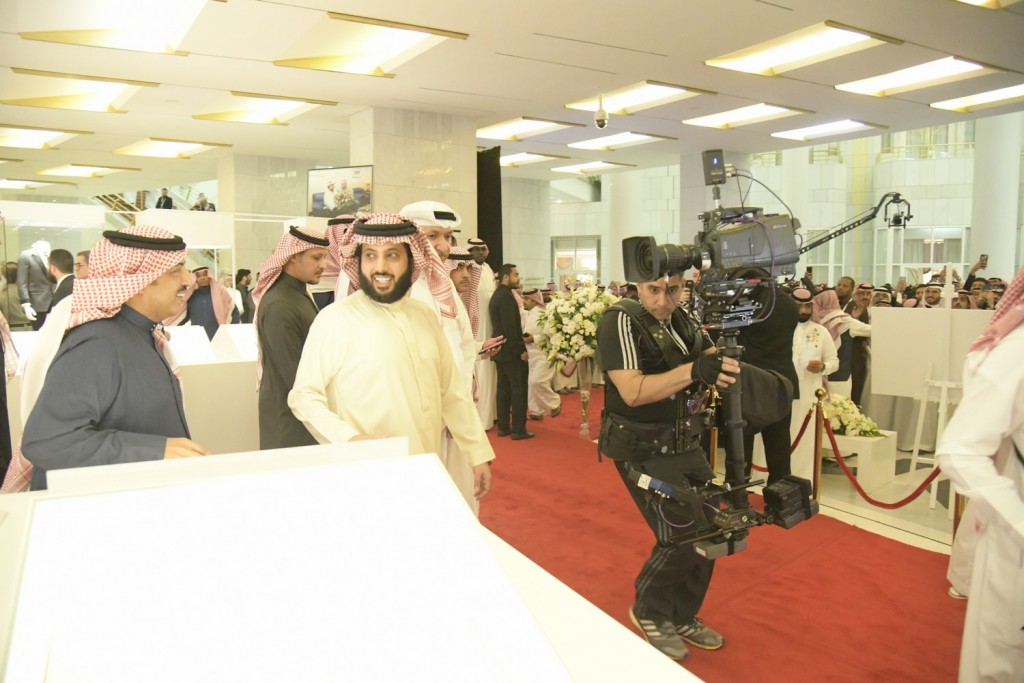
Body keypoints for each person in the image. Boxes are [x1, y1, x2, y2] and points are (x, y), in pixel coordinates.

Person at [289, 214, 495, 504]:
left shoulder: (425, 316)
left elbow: (451, 392)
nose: (380, 267)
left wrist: (477, 453)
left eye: (393, 255)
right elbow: (304, 396)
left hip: (425, 466)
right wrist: (347, 439)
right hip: (365, 475)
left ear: (411, 261)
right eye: (370, 255)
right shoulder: (335, 319)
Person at [596, 269, 739, 661]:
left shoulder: (684, 319)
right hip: (640, 447)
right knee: (683, 532)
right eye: (653, 290)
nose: (662, 300)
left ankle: (681, 614)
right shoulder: (620, 319)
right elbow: (632, 391)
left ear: (683, 286)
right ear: (637, 286)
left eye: (672, 290)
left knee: (714, 528)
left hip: (684, 441)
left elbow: (712, 358)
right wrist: (694, 371)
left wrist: (723, 363)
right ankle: (650, 610)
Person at [20, 226, 211, 491]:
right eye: (176, 270)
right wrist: (156, 451)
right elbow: (48, 441)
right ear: (139, 281)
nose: (189, 280)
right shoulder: (98, 343)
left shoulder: (141, 333)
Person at [935, 265, 1024, 683]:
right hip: (1014, 540)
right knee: (1003, 658)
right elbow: (960, 449)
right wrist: (1018, 519)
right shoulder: (1016, 350)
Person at [253, 226, 328, 450]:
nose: (324, 265)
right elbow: (294, 374)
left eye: (324, 257)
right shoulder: (280, 304)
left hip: (300, 413)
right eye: (316, 258)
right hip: (288, 421)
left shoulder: (296, 294)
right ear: (294, 255)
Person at [736, 280, 799, 485]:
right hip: (781, 381)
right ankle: (780, 492)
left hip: (750, 382)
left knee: (740, 444)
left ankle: (738, 490)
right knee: (779, 445)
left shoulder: (747, 304)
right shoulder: (789, 303)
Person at [790, 287, 839, 481]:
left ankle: (802, 478)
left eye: (807, 306)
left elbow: (834, 361)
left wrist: (823, 367)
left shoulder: (821, 331)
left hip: (808, 396)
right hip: (782, 393)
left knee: (805, 438)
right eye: (798, 306)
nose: (803, 311)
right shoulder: (779, 328)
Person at [490, 263, 532, 440]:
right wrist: (520, 350)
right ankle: (518, 429)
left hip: (501, 351)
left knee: (504, 390)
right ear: (506, 277)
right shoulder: (506, 297)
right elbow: (510, 328)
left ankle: (503, 427)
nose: (518, 278)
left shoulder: (498, 295)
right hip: (511, 352)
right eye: (515, 275)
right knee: (518, 390)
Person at [812, 289, 870, 400]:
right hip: (838, 377)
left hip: (818, 376)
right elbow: (874, 330)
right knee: (839, 408)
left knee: (820, 408)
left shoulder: (813, 322)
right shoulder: (846, 322)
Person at [468, 237, 498, 430]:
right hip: (476, 330)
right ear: (469, 252)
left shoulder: (487, 269)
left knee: (490, 373)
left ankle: (490, 414)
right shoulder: (467, 270)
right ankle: (478, 420)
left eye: (483, 249)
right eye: (476, 250)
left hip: (490, 328)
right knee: (479, 371)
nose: (480, 253)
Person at [521, 287, 561, 420]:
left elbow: (551, 335)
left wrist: (534, 339)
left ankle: (555, 403)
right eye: (523, 298)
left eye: (527, 299)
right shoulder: (527, 314)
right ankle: (536, 412)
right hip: (532, 355)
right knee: (531, 384)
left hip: (544, 354)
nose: (524, 301)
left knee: (537, 381)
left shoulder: (543, 314)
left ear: (534, 300)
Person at [173, 266, 235, 338]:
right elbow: (184, 317)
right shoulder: (190, 296)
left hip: (218, 335)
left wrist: (230, 330)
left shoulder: (221, 292)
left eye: (205, 275)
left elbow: (233, 311)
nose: (202, 278)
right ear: (195, 279)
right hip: (198, 337)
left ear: (209, 276)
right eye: (198, 276)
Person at [17, 239, 53, 331]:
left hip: (53, 302)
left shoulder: (51, 255)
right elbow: (22, 282)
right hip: (37, 303)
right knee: (39, 332)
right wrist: (26, 304)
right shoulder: (26, 256)